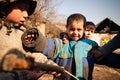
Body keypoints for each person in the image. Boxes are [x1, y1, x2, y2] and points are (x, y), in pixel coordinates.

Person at [21, 13, 112, 80]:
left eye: (79, 29)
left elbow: (104, 56)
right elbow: (47, 45)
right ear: (66, 27)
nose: (75, 32)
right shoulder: (60, 43)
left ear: (84, 29)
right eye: (72, 29)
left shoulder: (91, 45)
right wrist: (35, 38)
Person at [0, 0, 49, 80]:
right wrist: (26, 76)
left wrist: (49, 64)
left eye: (26, 10)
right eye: (21, 9)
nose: (26, 14)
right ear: (5, 7)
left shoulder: (21, 31)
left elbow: (34, 52)